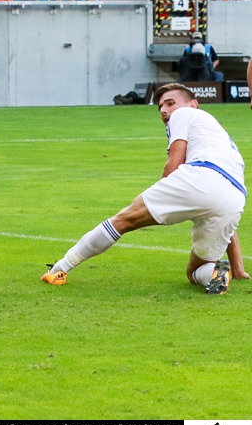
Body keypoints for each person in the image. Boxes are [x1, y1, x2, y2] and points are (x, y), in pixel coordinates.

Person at [43, 84, 246, 295]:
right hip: (235, 196)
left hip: (202, 177)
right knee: (195, 272)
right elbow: (220, 195)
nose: (164, 110)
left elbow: (174, 162)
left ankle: (59, 269)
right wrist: (239, 268)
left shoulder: (183, 114)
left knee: (123, 220)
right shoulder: (219, 138)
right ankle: (216, 272)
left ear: (193, 105)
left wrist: (165, 198)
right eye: (160, 107)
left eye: (170, 103)